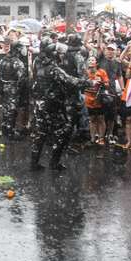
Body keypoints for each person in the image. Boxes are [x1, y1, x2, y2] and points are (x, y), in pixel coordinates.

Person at [31, 41, 91, 171]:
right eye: (60, 54)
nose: (62, 56)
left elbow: (35, 87)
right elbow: (71, 81)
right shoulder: (54, 70)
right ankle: (54, 163)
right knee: (63, 132)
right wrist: (88, 83)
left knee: (40, 134)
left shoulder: (40, 66)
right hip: (52, 107)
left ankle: (33, 163)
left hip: (41, 105)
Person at [0, 41, 29, 141]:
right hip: (13, 88)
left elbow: (0, 75)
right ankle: (10, 132)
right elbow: (22, 79)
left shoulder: (3, 60)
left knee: (5, 108)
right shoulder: (18, 62)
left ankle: (5, 129)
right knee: (12, 110)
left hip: (4, 87)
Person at [83, 56, 109, 144]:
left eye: (93, 60)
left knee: (101, 118)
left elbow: (107, 84)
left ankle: (101, 138)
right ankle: (92, 138)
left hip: (99, 99)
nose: (91, 61)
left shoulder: (102, 72)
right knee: (92, 118)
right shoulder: (85, 72)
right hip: (89, 99)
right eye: (89, 60)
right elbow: (81, 84)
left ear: (96, 63)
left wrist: (101, 81)